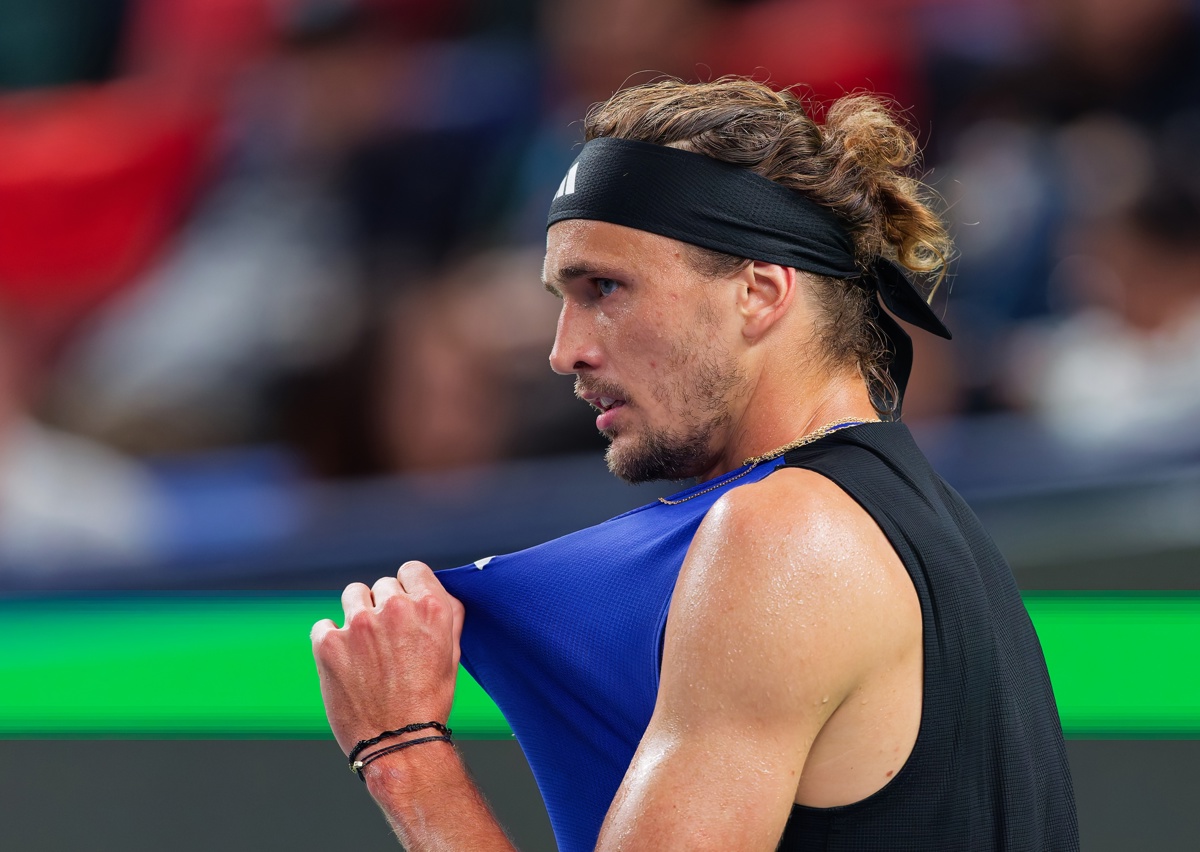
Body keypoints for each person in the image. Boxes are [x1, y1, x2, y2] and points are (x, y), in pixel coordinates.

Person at [311, 77, 1078, 851]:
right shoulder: (915, 526)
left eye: (605, 287)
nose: (562, 350)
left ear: (759, 292)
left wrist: (402, 752)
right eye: (561, 297)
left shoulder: (786, 538)